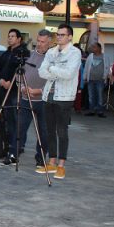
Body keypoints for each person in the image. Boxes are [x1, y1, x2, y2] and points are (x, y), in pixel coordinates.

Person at [38, 24, 81, 179]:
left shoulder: (75, 53)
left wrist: (53, 69)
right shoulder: (51, 51)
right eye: (58, 34)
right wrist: (55, 71)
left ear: (70, 37)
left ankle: (61, 165)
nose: (59, 37)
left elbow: (69, 74)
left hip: (64, 97)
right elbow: (41, 71)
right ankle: (52, 161)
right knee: (49, 130)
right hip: (48, 95)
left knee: (61, 131)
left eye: (63, 35)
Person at [0, 29, 30, 166]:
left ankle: (18, 147)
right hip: (4, 90)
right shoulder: (5, 53)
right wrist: (1, 81)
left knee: (18, 120)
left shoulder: (24, 54)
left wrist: (11, 81)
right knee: (9, 120)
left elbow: (24, 71)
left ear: (19, 39)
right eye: (8, 36)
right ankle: (11, 145)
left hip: (16, 91)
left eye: (13, 36)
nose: (10, 38)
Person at [18, 29, 51, 169]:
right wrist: (22, 87)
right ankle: (14, 153)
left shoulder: (52, 58)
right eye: (38, 41)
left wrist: (38, 91)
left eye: (42, 42)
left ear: (50, 42)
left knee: (44, 132)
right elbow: (19, 74)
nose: (39, 44)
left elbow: (54, 82)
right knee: (20, 128)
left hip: (44, 101)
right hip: (26, 99)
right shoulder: (29, 56)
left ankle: (41, 158)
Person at [83, 42, 110, 117]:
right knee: (91, 96)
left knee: (100, 96)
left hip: (100, 80)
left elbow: (107, 67)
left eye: (94, 47)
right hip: (90, 79)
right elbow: (86, 67)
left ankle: (100, 111)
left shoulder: (105, 56)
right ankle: (92, 110)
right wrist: (84, 77)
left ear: (99, 48)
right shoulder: (90, 56)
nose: (92, 48)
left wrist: (105, 76)